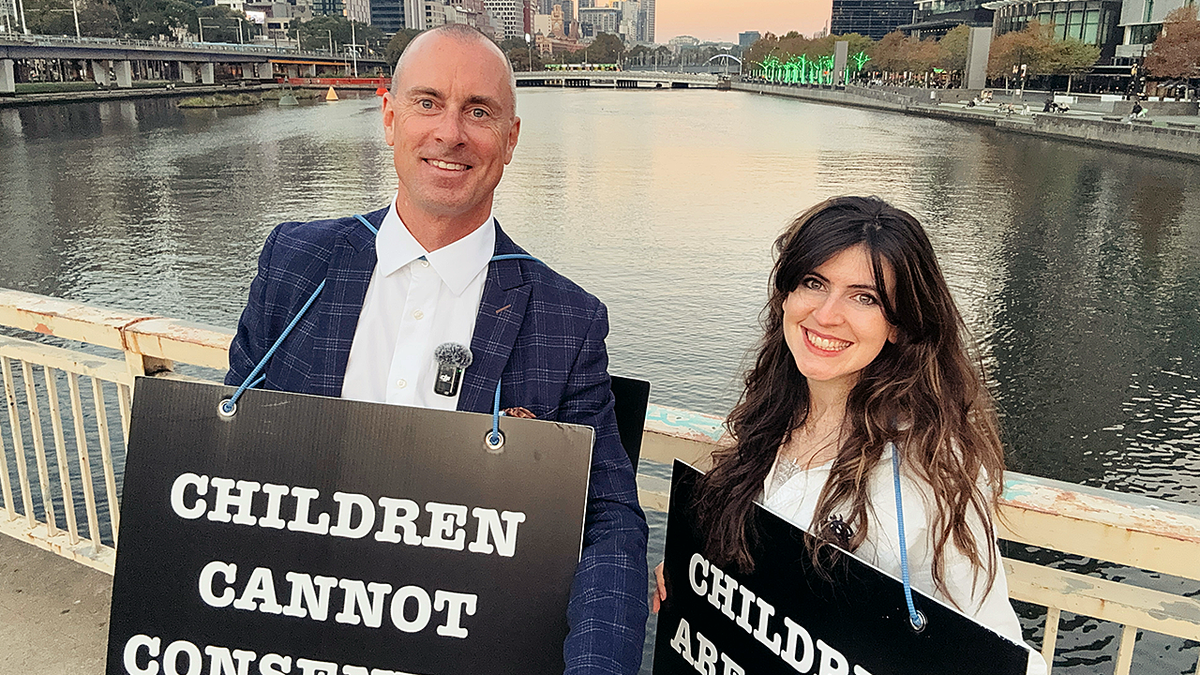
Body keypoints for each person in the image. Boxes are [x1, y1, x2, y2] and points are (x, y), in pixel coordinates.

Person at [226, 24, 648, 675]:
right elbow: (228, 450)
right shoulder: (294, 261)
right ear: (389, 117)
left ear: (510, 139)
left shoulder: (567, 318)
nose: (450, 133)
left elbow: (609, 527)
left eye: (478, 111)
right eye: (428, 102)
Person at [654, 196, 1046, 674]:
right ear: (786, 295)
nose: (826, 314)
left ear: (900, 325)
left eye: (865, 297)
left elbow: (990, 642)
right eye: (813, 283)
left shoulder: (930, 466)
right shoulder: (771, 417)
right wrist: (700, 580)